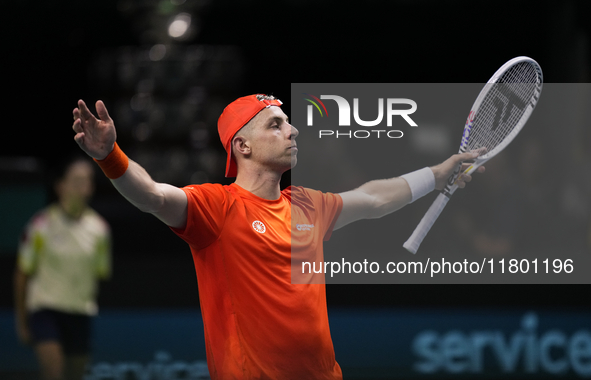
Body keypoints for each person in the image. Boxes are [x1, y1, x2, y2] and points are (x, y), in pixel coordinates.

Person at [71, 94, 482, 380]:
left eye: (288, 122)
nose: (293, 130)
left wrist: (438, 174)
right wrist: (110, 155)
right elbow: (152, 195)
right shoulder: (217, 208)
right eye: (276, 124)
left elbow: (373, 197)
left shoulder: (307, 206)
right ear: (242, 146)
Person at [14, 158, 111, 380]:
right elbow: (22, 273)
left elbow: (100, 274)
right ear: (61, 186)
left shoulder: (100, 230)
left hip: (79, 313)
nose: (82, 187)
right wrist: (22, 322)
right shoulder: (40, 225)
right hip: (45, 310)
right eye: (76, 181)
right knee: (53, 373)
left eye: (86, 181)